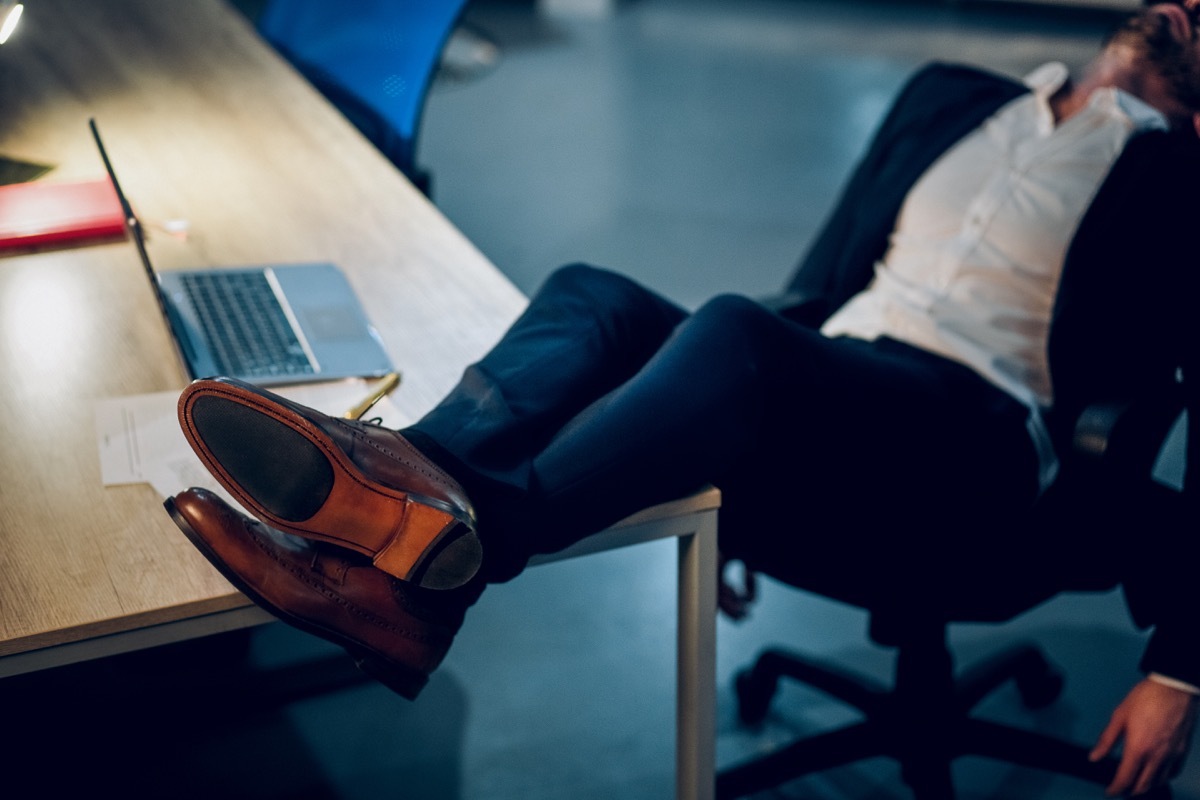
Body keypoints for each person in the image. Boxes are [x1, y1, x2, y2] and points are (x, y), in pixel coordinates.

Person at [166, 2, 1200, 796]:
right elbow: (821, 278)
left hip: (979, 440)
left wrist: (1183, 668)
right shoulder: (952, 95)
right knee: (595, 296)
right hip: (841, 381)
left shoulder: (1179, 177)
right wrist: (695, 439)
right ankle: (393, 497)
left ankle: (433, 571)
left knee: (737, 329)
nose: (1185, 9)